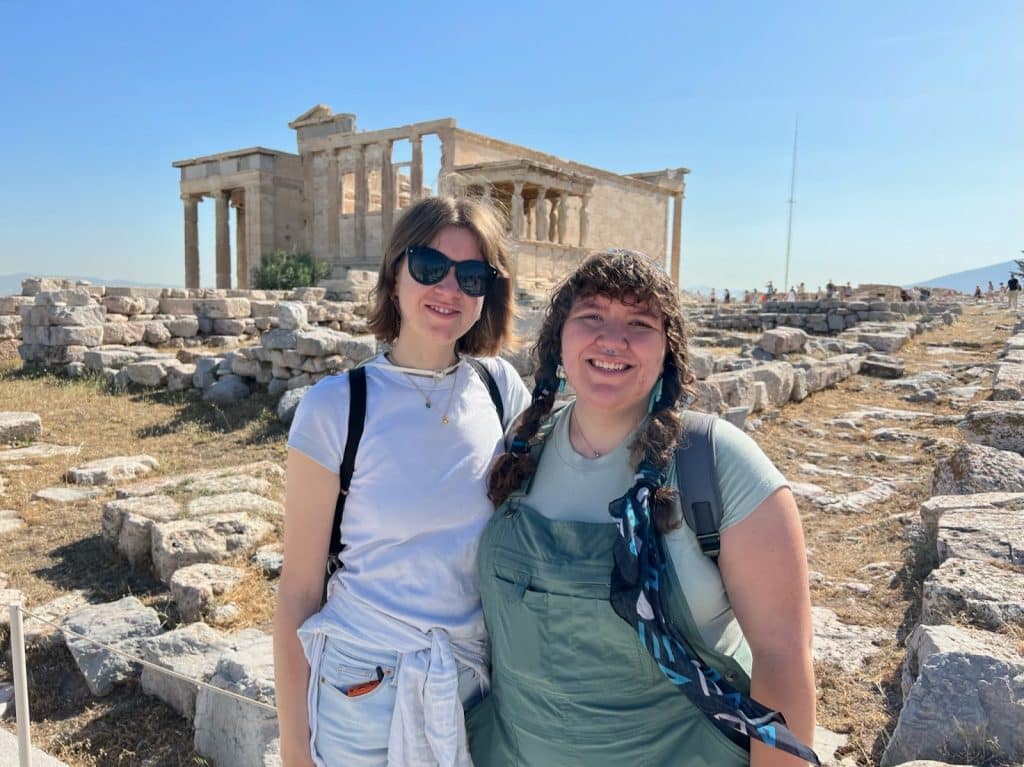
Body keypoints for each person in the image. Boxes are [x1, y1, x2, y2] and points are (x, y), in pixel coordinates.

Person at [469, 250, 817, 766]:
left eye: (639, 322)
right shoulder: (518, 452)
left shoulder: (716, 464)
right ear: (558, 340)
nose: (612, 339)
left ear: (668, 352)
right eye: (591, 316)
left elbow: (783, 659)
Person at [274, 196, 531, 767]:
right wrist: (295, 749)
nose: (450, 289)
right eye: (429, 267)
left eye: (472, 275)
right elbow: (298, 590)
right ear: (395, 274)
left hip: (473, 684)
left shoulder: (501, 391)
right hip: (359, 686)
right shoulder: (335, 407)